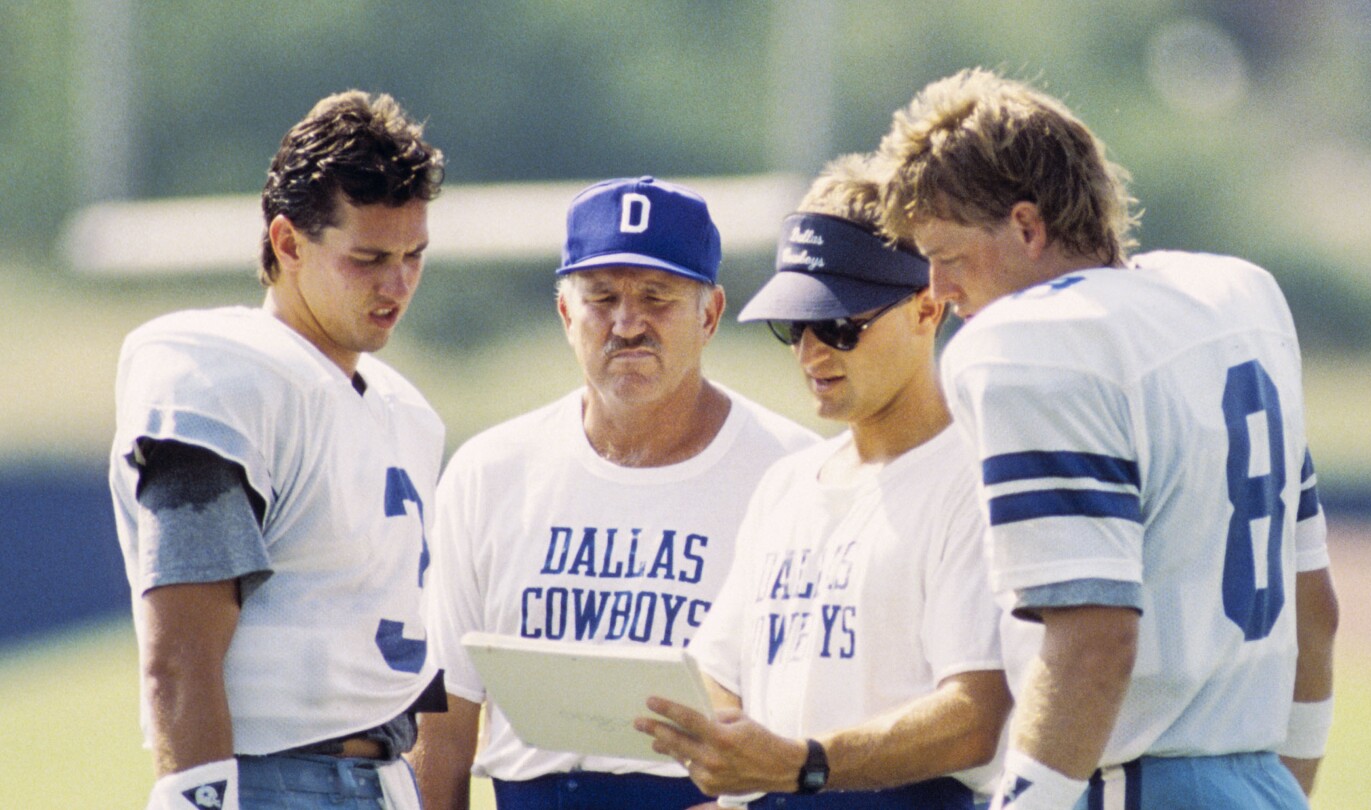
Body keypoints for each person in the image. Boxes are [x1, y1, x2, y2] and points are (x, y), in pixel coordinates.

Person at [875, 67, 1340, 809]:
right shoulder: (1239, 297)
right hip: (1257, 784)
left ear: (1027, 227)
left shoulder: (1026, 344)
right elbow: (1315, 608)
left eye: (949, 257)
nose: (937, 288)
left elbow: (1093, 643)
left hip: (1125, 785)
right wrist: (1287, 787)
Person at [410, 175, 820, 810]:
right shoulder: (490, 471)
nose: (628, 325)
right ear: (565, 314)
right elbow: (443, 721)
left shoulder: (791, 473)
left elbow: (819, 716)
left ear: (709, 314)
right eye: (601, 298)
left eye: (657, 297)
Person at [635, 154, 1013, 809]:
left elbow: (975, 717)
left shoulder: (975, 477)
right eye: (795, 326)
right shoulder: (787, 484)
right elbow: (719, 674)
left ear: (927, 308)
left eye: (840, 327)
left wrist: (802, 765)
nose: (811, 352)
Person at [109, 90, 447, 810]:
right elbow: (181, 654)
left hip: (390, 779)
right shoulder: (222, 375)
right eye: (369, 258)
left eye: (414, 256)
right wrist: (198, 799)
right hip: (272, 781)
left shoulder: (405, 410)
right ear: (288, 244)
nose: (397, 284)